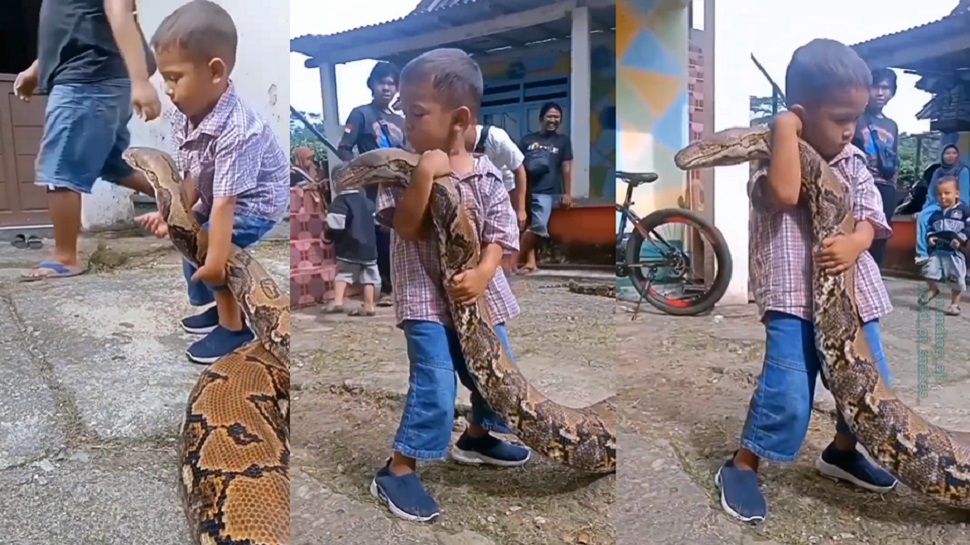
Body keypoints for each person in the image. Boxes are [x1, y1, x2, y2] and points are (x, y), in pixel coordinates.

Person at [716, 39, 897, 525]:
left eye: (856, 118)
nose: (850, 129)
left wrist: (856, 242)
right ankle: (743, 464)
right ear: (800, 114)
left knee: (870, 385)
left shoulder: (854, 161)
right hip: (793, 298)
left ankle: (841, 452)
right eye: (840, 118)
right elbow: (783, 193)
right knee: (789, 392)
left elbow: (871, 219)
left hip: (854, 299)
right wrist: (783, 129)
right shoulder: (770, 155)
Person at [371, 48, 530, 522]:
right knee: (436, 381)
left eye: (416, 113)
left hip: (480, 296)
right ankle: (399, 468)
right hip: (425, 299)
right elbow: (405, 226)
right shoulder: (401, 169)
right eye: (404, 112)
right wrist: (423, 175)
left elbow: (501, 235)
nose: (406, 123)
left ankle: (478, 437)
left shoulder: (487, 173)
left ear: (459, 119)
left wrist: (483, 272)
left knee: (495, 374)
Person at [134, 0, 289, 364]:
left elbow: (226, 203)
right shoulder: (185, 115)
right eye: (164, 78)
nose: (167, 89)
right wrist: (172, 215)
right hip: (219, 194)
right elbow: (193, 175)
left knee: (209, 245)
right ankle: (219, 306)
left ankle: (234, 328)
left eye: (174, 78)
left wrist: (216, 260)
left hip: (256, 203)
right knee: (188, 234)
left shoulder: (240, 129)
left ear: (215, 71)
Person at [16, 0, 161, 281]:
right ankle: (186, 201)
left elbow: (118, 11)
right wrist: (37, 70)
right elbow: (69, 31)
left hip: (88, 80)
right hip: (95, 78)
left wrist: (141, 81)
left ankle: (65, 257)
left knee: (60, 166)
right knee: (112, 165)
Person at [337, 62, 407, 307]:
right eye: (381, 83)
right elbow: (344, 148)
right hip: (372, 189)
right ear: (372, 85)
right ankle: (384, 288)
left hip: (399, 185)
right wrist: (358, 171)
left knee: (401, 233)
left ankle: (399, 285)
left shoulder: (400, 120)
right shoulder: (361, 114)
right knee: (379, 235)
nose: (386, 88)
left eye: (391, 84)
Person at [852, 68, 900, 269]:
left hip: (885, 187)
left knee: (880, 237)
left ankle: (875, 275)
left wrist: (893, 187)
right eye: (875, 87)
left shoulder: (892, 125)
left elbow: (894, 156)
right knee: (856, 232)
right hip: (860, 184)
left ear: (892, 92)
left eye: (885, 88)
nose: (880, 93)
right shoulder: (855, 117)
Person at [517, 102, 573, 273]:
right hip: (525, 190)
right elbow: (517, 166)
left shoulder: (563, 141)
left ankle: (512, 259)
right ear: (541, 118)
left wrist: (567, 193)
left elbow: (566, 168)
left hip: (545, 192)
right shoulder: (526, 140)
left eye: (557, 117)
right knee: (526, 226)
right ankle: (530, 263)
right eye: (549, 116)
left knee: (538, 227)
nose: (553, 120)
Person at [464, 123, 527, 273]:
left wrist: (521, 208)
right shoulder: (453, 142)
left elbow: (520, 171)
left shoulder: (497, 138)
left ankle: (506, 269)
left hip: (506, 187)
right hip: (479, 190)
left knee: (504, 233)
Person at [323, 186, 380, 317]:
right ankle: (369, 306)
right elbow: (377, 223)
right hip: (369, 248)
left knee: (343, 274)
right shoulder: (368, 202)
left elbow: (335, 226)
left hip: (349, 247)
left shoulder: (340, 201)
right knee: (369, 277)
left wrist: (328, 236)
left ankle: (337, 302)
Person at [921, 176, 970, 315]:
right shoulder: (935, 215)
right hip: (937, 251)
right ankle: (933, 289)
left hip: (955, 252)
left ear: (957, 194)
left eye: (947, 193)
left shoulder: (964, 211)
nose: (943, 197)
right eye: (939, 194)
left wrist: (960, 238)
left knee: (955, 278)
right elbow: (930, 228)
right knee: (928, 271)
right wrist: (930, 237)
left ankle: (955, 304)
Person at [915, 144, 970, 265]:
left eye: (954, 153)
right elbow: (931, 193)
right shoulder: (938, 171)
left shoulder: (963, 171)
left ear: (958, 155)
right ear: (942, 155)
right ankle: (922, 253)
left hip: (957, 204)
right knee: (922, 217)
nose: (950, 156)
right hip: (938, 203)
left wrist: (954, 207)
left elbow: (964, 195)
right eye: (947, 153)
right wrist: (925, 209)